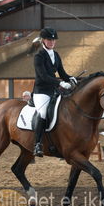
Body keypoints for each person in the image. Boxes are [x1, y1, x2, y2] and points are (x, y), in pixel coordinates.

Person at [32, 27, 77, 157]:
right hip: (41, 91)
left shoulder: (56, 55)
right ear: (43, 41)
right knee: (43, 112)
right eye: (49, 40)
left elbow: (62, 73)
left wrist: (70, 78)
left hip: (54, 90)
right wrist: (60, 83)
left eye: (53, 40)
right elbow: (43, 76)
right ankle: (38, 144)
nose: (52, 42)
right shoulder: (39, 56)